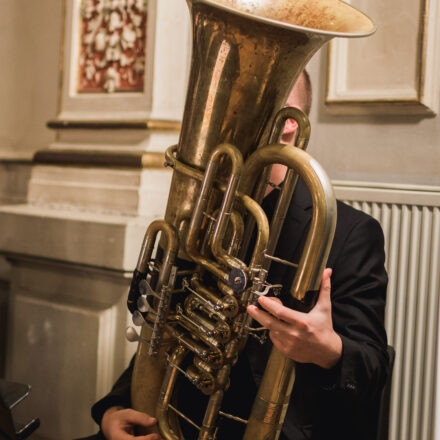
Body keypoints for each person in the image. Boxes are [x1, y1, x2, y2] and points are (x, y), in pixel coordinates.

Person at [87, 71, 388, 440]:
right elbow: (164, 327)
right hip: (175, 423)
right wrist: (117, 407)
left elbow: (372, 369)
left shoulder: (352, 233)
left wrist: (327, 350)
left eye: (239, 102)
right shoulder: (202, 217)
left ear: (289, 123)